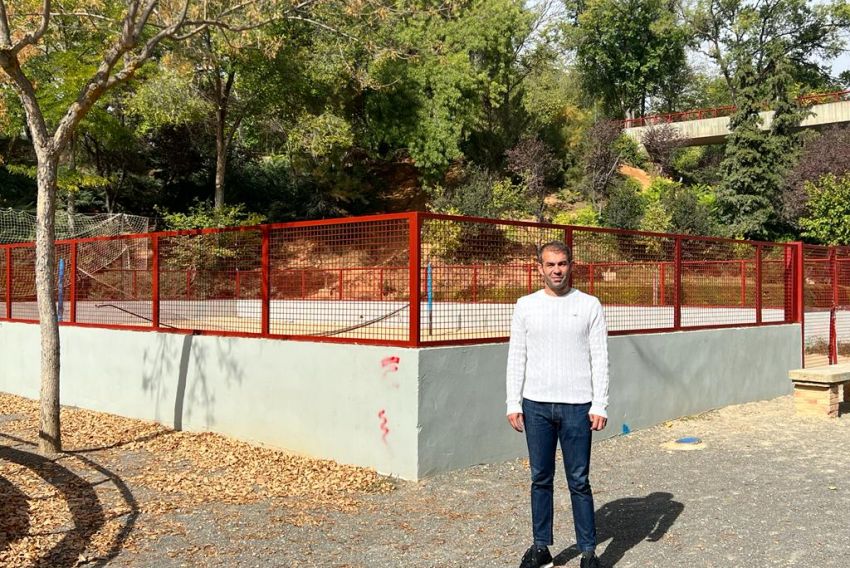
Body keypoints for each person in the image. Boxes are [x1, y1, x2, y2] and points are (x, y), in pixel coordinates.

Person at [506, 241, 609, 568]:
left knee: (579, 480)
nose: (556, 270)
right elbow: (516, 357)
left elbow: (600, 359)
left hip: (578, 407)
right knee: (540, 477)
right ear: (539, 268)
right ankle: (541, 547)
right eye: (550, 265)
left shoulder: (590, 304)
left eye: (562, 264)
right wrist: (513, 401)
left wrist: (600, 404)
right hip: (535, 405)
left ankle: (589, 551)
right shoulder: (525, 305)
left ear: (571, 266)